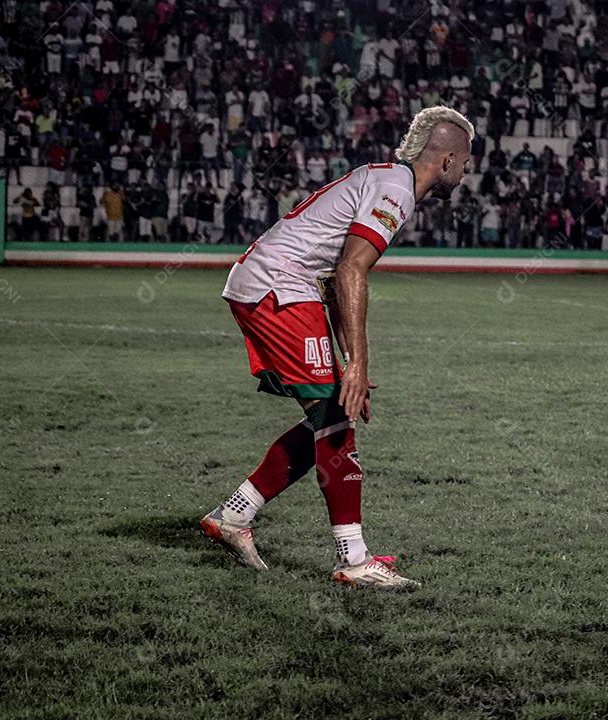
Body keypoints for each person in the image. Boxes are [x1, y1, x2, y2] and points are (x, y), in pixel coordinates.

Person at [201, 107, 475, 589]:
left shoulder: (386, 179)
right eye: (468, 160)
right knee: (333, 417)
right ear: (449, 159)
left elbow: (334, 278)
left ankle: (234, 515)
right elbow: (351, 271)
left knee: (328, 416)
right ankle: (353, 560)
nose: (467, 171)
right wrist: (359, 362)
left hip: (279, 285)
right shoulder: (395, 191)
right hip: (277, 288)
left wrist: (353, 363)